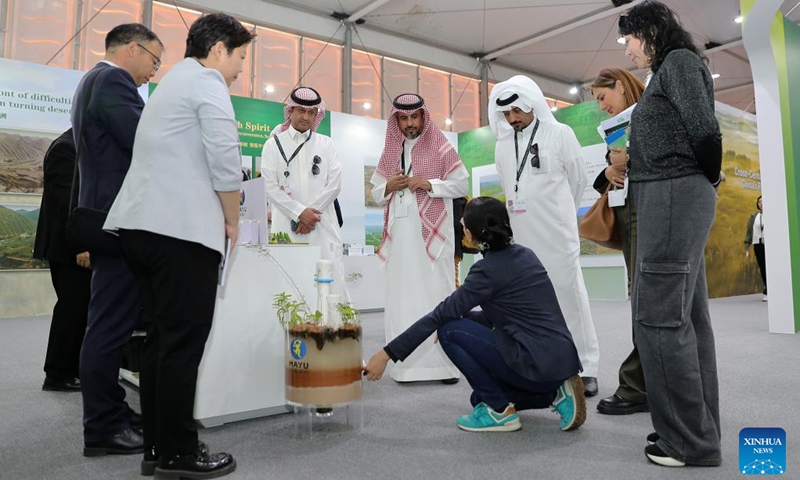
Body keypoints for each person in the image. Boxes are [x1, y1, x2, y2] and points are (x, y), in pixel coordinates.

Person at [105, 12, 253, 479]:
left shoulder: (170, 83)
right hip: (180, 232)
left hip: (141, 229)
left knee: (160, 343)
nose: (241, 68)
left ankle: (157, 445)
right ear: (218, 50)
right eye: (241, 57)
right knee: (183, 343)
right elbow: (225, 158)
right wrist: (232, 220)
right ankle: (179, 454)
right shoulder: (208, 82)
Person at [365, 197, 586, 433]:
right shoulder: (526, 254)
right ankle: (554, 392)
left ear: (469, 234)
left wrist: (386, 354)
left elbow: (439, 315)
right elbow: (502, 316)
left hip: (534, 361)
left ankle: (500, 413)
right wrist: (463, 319)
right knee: (477, 400)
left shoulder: (486, 271)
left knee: (448, 331)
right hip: (559, 359)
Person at [619, 0, 722, 467]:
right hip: (669, 193)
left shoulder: (678, 64)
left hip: (673, 194)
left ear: (652, 31)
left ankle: (687, 441)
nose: (627, 51)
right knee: (685, 316)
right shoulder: (672, 69)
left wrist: (706, 178)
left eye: (630, 39)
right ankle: (697, 431)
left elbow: (704, 132)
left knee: (659, 317)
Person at [71, 23, 163, 457]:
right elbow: (146, 143)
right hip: (118, 222)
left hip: (106, 218)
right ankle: (103, 427)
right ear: (133, 49)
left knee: (112, 322)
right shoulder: (113, 80)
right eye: (154, 60)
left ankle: (114, 412)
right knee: (109, 326)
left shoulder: (91, 81)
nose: (153, 71)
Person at [489, 75, 601, 397]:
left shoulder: (560, 134)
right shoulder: (501, 145)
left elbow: (579, 181)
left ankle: (586, 366)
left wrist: (562, 216)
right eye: (506, 114)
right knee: (531, 305)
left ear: (531, 104)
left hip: (557, 235)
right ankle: (540, 365)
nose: (512, 119)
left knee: (570, 299)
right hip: (522, 239)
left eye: (517, 112)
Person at [370, 93, 468, 383]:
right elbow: (375, 193)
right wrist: (388, 185)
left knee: (437, 295)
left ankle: (445, 367)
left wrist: (429, 184)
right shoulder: (390, 152)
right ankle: (405, 368)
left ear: (423, 117)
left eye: (414, 117)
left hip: (432, 243)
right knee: (401, 297)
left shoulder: (441, 146)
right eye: (404, 118)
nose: (410, 124)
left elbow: (461, 182)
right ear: (396, 120)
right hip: (400, 240)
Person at [589, 68, 649, 415]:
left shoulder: (648, 115)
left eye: (602, 97)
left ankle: (637, 385)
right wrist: (609, 172)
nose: (600, 106)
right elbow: (608, 175)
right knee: (639, 296)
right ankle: (641, 383)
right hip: (628, 213)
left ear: (621, 87)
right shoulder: (616, 130)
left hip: (647, 211)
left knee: (645, 298)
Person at [261, 87, 348, 299]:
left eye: (311, 112)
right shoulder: (273, 145)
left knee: (330, 284)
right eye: (301, 111)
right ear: (290, 111)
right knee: (291, 284)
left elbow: (334, 184)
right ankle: (293, 333)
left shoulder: (326, 144)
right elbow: (270, 185)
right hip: (287, 228)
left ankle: (333, 332)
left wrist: (310, 215)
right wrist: (300, 212)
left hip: (322, 225)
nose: (306, 117)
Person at [33, 129, 92, 392]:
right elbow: (65, 203)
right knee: (71, 309)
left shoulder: (76, 145)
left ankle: (71, 369)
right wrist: (81, 246)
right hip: (68, 248)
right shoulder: (66, 148)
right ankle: (57, 374)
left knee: (78, 309)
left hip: (73, 246)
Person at [744, 196, 767, 301]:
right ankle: (768, 290)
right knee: (762, 267)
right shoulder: (754, 216)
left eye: (763, 201)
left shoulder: (773, 215)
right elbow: (749, 232)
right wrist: (747, 246)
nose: (761, 203)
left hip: (770, 244)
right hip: (758, 244)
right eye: (759, 202)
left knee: (770, 266)